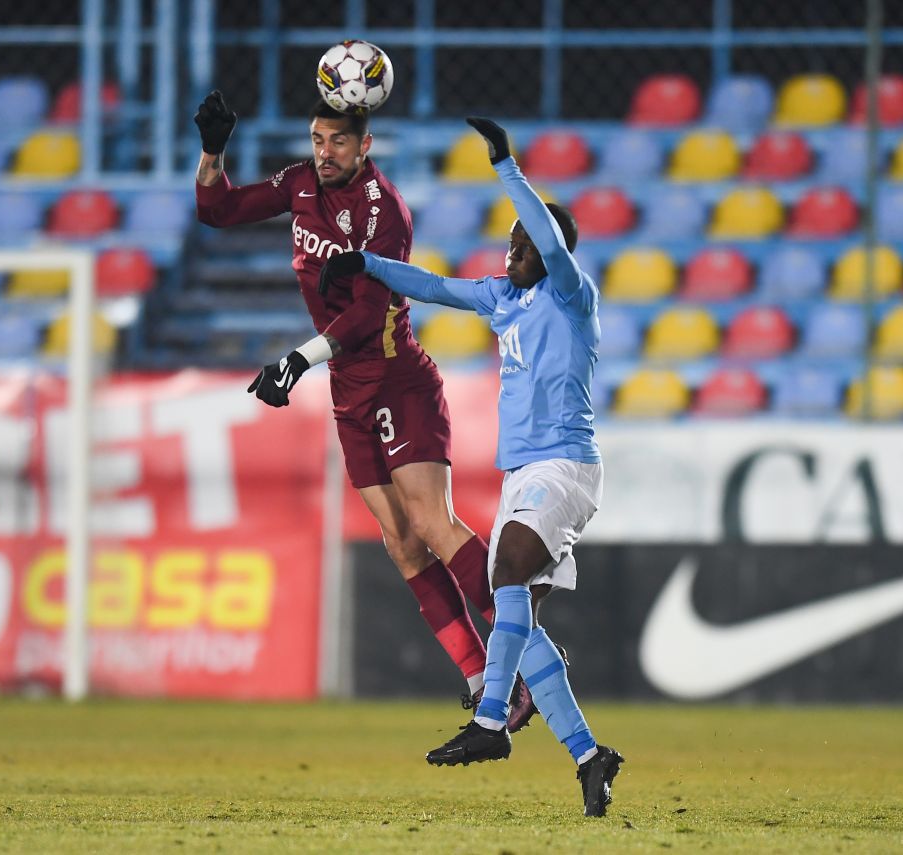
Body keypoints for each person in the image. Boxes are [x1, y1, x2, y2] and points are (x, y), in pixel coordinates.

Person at [192, 91, 533, 726]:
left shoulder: (385, 213)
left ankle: (532, 656)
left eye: (339, 142)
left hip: (397, 379)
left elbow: (370, 311)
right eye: (318, 140)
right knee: (402, 545)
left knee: (432, 522)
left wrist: (297, 358)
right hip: (349, 390)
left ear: (365, 145)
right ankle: (485, 675)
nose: (325, 153)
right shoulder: (298, 184)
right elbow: (217, 210)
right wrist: (213, 150)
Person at [318, 117, 624, 818]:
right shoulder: (504, 299)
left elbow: (546, 235)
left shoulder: (572, 300)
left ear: (552, 254)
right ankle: (588, 754)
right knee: (523, 618)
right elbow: (431, 286)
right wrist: (365, 265)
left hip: (564, 465)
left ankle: (489, 720)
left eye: (524, 245)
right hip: (527, 475)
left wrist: (505, 167)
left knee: (506, 568)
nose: (514, 252)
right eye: (511, 243)